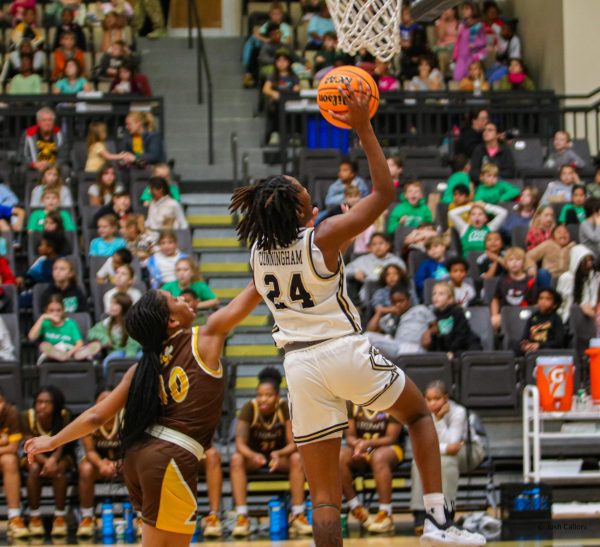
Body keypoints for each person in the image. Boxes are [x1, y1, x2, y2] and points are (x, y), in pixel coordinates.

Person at [230, 87, 485, 545]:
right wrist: (363, 123)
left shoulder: (257, 252)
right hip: (341, 351)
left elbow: (300, 251)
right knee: (419, 417)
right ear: (301, 210)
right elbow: (385, 192)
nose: (310, 195)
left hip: (299, 367)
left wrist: (335, 226)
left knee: (324, 496)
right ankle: (438, 525)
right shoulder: (322, 236)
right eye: (305, 193)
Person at [25, 284, 265, 546]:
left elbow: (95, 417)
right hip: (170, 457)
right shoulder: (205, 337)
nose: (183, 297)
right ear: (172, 321)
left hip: (141, 456)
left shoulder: (141, 367)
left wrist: (52, 441)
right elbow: (254, 291)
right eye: (175, 298)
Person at [231, 367, 311, 537]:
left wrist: (279, 454)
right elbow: (239, 443)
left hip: (279, 458)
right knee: (237, 459)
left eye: (268, 395)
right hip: (256, 459)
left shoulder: (284, 408)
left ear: (276, 397)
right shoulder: (249, 408)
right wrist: (252, 455)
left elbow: (294, 443)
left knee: (297, 458)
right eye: (259, 395)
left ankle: (298, 514)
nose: (263, 399)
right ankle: (242, 517)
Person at [411, 381, 485, 535]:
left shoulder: (458, 412)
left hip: (469, 451)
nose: (432, 403)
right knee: (422, 460)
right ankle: (419, 513)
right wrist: (441, 448)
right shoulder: (420, 412)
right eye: (428, 399)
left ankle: (447, 512)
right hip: (444, 452)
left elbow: (452, 443)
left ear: (445, 398)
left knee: (445, 460)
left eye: (436, 398)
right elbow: (438, 446)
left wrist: (438, 420)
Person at [339, 404, 404, 533]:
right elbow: (350, 436)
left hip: (389, 449)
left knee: (378, 457)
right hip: (361, 449)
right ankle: (355, 506)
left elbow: (391, 438)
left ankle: (386, 513)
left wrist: (367, 445)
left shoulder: (392, 399)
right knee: (339, 456)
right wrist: (358, 445)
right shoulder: (351, 403)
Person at [21, 386, 73, 537]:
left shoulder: (64, 415)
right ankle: (34, 516)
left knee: (59, 468)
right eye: (39, 402)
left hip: (61, 455)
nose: (42, 405)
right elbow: (29, 444)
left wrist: (53, 461)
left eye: (47, 402)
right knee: (34, 468)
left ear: (55, 404)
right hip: (33, 456)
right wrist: (46, 462)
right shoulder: (27, 416)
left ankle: (60, 516)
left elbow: (63, 442)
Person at [76, 389, 123, 537]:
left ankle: (142, 517)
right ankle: (87, 517)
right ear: (96, 404)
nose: (106, 405)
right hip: (98, 465)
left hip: (124, 463)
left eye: (110, 401)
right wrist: (102, 465)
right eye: (101, 401)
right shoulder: (89, 419)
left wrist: (117, 465)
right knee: (85, 469)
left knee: (139, 465)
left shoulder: (127, 417)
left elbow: (134, 449)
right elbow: (89, 451)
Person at [28, 294, 100, 363]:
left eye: (58, 310)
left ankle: (84, 354)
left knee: (79, 350)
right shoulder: (45, 324)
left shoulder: (71, 323)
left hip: (70, 351)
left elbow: (79, 343)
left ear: (63, 310)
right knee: (50, 350)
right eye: (51, 310)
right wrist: (42, 318)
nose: (55, 313)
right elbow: (31, 337)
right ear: (46, 311)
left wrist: (69, 353)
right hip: (53, 351)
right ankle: (58, 355)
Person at [345, 232, 406, 305]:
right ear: (370, 248)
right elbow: (345, 271)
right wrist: (355, 273)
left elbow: (403, 274)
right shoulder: (363, 260)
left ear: (387, 245)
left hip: (391, 293)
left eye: (381, 243)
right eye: (374, 244)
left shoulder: (396, 261)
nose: (378, 247)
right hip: (369, 294)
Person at [89, 293, 141, 377]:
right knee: (109, 361)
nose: (111, 306)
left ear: (124, 307)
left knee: (142, 359)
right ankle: (109, 387)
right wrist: (104, 338)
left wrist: (129, 362)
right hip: (117, 351)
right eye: (111, 303)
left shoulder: (133, 322)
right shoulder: (107, 322)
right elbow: (91, 333)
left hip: (134, 351)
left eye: (115, 304)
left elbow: (132, 347)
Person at [422, 282, 481, 357]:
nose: (436, 297)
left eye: (441, 294)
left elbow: (461, 334)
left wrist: (452, 352)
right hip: (445, 349)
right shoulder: (432, 315)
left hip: (463, 345)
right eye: (434, 294)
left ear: (450, 299)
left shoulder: (457, 312)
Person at [0, 387, 28, 538]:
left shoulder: (11, 413)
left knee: (9, 460)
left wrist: (5, 443)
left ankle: (15, 518)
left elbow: (12, 448)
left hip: (5, 458)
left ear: (4, 401)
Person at [491, 247, 537, 330]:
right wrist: (494, 314)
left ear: (523, 262)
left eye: (518, 259)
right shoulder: (502, 281)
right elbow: (495, 299)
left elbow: (535, 303)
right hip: (506, 315)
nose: (514, 263)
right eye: (511, 260)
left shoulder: (530, 281)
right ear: (506, 263)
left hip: (525, 314)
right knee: (493, 321)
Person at [262, 50, 300, 145]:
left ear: (288, 62)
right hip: (277, 102)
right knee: (276, 108)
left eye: (284, 61)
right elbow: (266, 89)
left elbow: (297, 88)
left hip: (290, 101)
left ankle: (294, 135)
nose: (281, 63)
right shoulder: (273, 76)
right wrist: (273, 93)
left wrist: (296, 89)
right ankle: (275, 134)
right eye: (279, 61)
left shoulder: (293, 76)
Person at [557, 244, 600, 322]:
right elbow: (562, 303)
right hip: (571, 317)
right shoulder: (567, 278)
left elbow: (594, 299)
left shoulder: (594, 276)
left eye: (591, 260)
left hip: (591, 314)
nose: (589, 264)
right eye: (586, 261)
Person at [519, 288, 565, 355]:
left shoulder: (556, 319)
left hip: (548, 352)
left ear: (555, 305)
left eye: (548, 299)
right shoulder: (532, 317)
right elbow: (525, 336)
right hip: (531, 351)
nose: (543, 301)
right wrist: (524, 344)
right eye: (541, 298)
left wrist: (539, 345)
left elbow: (558, 342)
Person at [452, 2, 486, 82]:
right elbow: (458, 41)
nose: (464, 11)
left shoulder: (478, 25)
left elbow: (483, 41)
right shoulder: (461, 24)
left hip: (472, 57)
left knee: (471, 79)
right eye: (463, 9)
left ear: (473, 10)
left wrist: (474, 44)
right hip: (461, 57)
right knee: (457, 77)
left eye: (467, 9)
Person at [415, 236, 449, 301]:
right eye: (429, 249)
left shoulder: (452, 262)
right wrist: (431, 285)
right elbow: (418, 282)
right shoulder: (425, 264)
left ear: (443, 247)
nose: (432, 250)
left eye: (436, 246)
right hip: (433, 295)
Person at [433, 7, 458, 77]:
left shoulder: (458, 23)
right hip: (443, 48)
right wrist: (443, 20)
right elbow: (440, 37)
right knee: (442, 55)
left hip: (455, 48)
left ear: (454, 11)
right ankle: (443, 76)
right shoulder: (439, 23)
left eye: (448, 8)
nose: (446, 11)